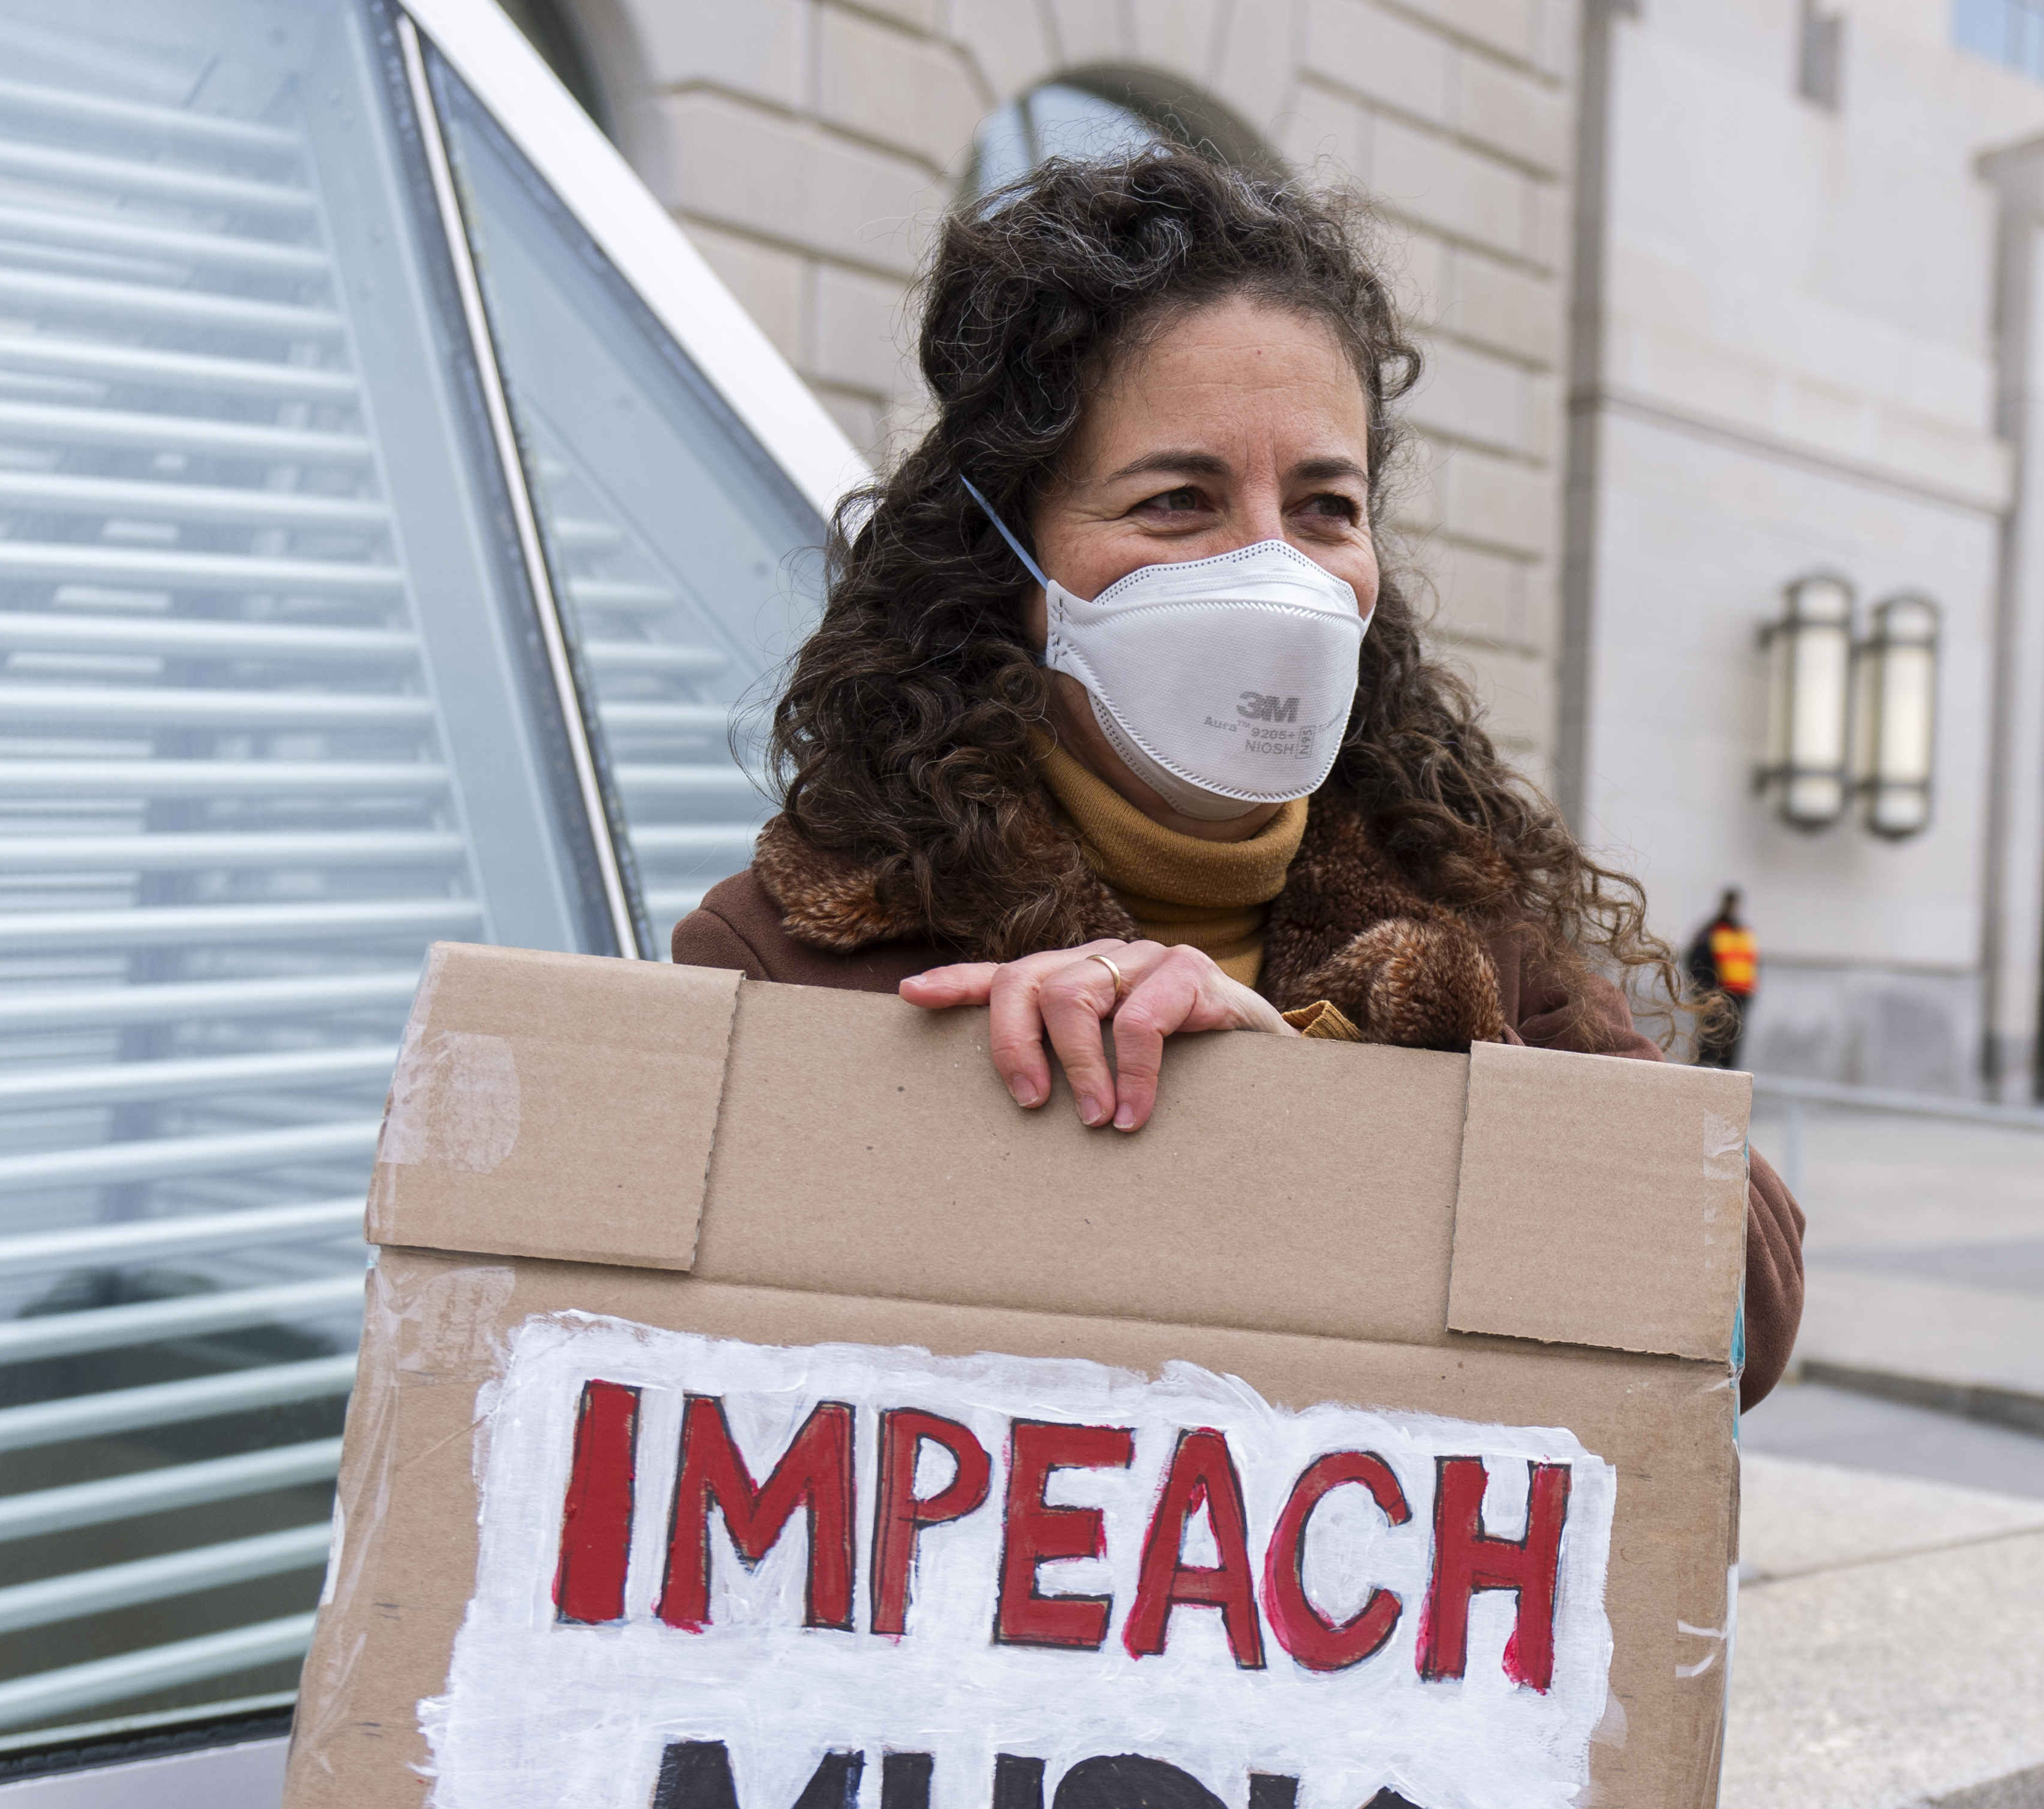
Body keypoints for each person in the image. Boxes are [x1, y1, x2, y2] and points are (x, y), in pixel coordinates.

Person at [670, 152, 1805, 1405]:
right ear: (1014, 566)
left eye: (1324, 506)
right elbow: (678, 1383)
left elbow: (1740, 1324)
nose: (1272, 570)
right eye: (1176, 500)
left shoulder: (1467, 924)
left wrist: (1326, 1088)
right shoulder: (796, 950)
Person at [1682, 889, 1757, 1070]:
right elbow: (1696, 965)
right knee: (1709, 1046)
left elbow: (1751, 966)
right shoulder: (1710, 932)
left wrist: (1748, 998)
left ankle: (1726, 1090)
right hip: (1715, 999)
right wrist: (1704, 994)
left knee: (1731, 1050)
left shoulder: (1743, 933)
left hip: (1738, 1000)